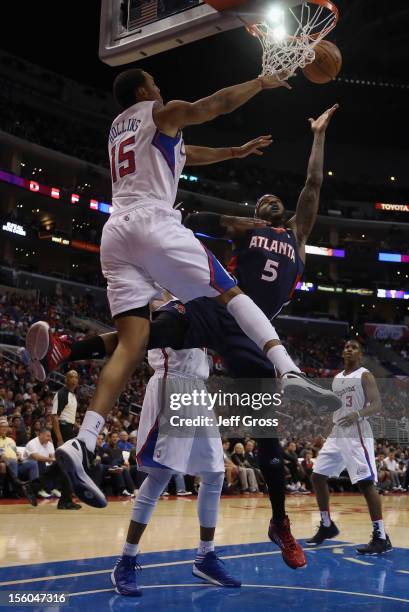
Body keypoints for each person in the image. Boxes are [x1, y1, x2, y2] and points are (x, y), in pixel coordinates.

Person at [24, 104, 338, 568]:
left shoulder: (296, 235)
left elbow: (312, 186)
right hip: (218, 310)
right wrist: (202, 212)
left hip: (250, 338)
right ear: (255, 211)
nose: (270, 202)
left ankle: (279, 522)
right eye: (262, 202)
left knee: (268, 441)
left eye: (275, 201)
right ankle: (66, 349)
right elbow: (201, 214)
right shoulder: (246, 230)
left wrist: (317, 136)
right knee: (151, 331)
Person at [111, 344, 239, 595]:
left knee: (215, 472)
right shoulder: (164, 303)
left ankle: (205, 556)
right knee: (160, 474)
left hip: (198, 388)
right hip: (173, 382)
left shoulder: (207, 305)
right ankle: (125, 560)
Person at [306, 340, 393, 555]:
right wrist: (327, 431)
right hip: (337, 433)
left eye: (353, 347)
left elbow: (376, 404)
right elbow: (336, 408)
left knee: (365, 483)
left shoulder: (365, 375)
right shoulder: (336, 379)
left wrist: (358, 414)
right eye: (345, 346)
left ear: (360, 354)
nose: (348, 349)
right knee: (317, 477)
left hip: (357, 432)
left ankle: (381, 537)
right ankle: (327, 525)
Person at [50, 371, 82, 509]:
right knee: (68, 466)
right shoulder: (62, 393)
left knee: (67, 466)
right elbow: (54, 417)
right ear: (65, 379)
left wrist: (77, 425)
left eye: (76, 377)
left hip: (68, 428)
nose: (73, 379)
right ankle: (65, 501)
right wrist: (59, 439)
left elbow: (67, 416)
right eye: (70, 376)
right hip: (62, 431)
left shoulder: (73, 395)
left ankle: (65, 500)